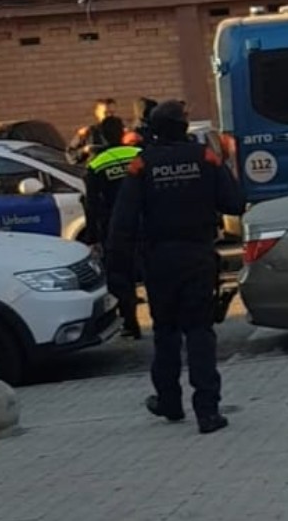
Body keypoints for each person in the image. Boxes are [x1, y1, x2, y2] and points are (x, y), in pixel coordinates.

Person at [108, 99, 244, 434]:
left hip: (159, 260)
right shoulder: (205, 157)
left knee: (166, 332)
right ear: (182, 127)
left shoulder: (143, 165)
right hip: (198, 256)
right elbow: (235, 203)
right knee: (199, 331)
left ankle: (169, 401)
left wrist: (118, 272)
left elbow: (122, 222)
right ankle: (208, 411)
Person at [82, 115, 143, 339]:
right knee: (153, 273)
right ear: (122, 132)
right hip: (145, 223)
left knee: (121, 278)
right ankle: (166, 320)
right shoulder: (138, 155)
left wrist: (93, 236)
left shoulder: (97, 163)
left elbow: (92, 204)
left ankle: (131, 323)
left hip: (116, 229)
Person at [68, 98, 120, 164]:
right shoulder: (88, 132)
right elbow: (71, 155)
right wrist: (85, 150)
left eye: (112, 113)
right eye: (106, 113)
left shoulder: (124, 131)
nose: (109, 115)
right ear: (97, 112)